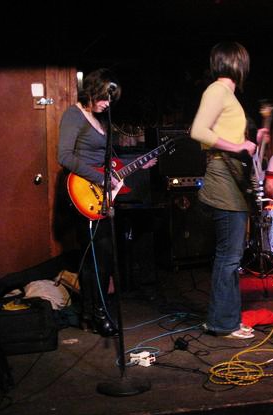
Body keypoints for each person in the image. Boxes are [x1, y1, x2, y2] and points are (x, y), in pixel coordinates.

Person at [57, 68, 156, 335]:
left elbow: (107, 163)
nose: (107, 104)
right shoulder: (73, 115)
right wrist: (100, 179)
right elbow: (65, 157)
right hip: (82, 190)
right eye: (104, 98)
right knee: (97, 255)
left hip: (100, 191)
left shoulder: (100, 120)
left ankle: (94, 312)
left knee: (103, 255)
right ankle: (95, 313)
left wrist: (137, 165)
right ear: (91, 91)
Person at [190, 42, 269, 339]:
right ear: (236, 63)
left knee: (231, 256)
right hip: (222, 176)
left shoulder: (228, 95)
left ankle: (228, 320)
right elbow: (198, 131)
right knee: (228, 256)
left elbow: (225, 134)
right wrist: (237, 145)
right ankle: (222, 323)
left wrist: (250, 138)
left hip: (231, 175)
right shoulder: (217, 90)